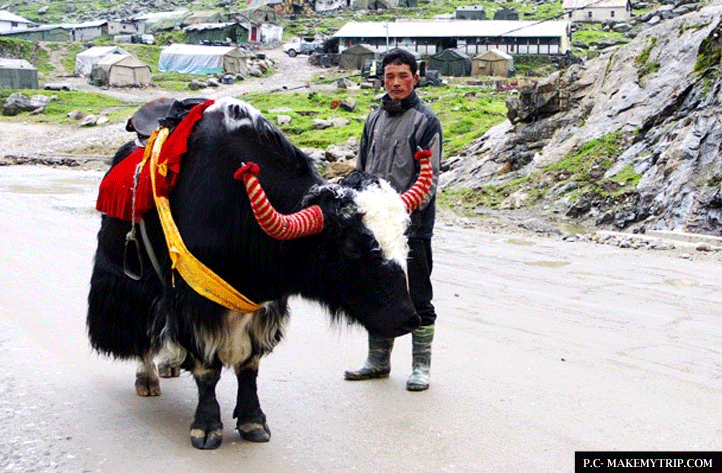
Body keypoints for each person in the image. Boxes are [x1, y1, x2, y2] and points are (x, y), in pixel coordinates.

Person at [344, 49, 442, 391]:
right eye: (390, 77)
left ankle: (420, 367)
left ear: (415, 78)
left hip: (411, 228)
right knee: (376, 291)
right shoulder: (373, 119)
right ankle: (378, 361)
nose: (396, 83)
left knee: (417, 294)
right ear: (382, 79)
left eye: (403, 76)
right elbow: (361, 170)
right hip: (374, 228)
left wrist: (398, 213)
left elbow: (426, 183)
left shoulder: (426, 121)